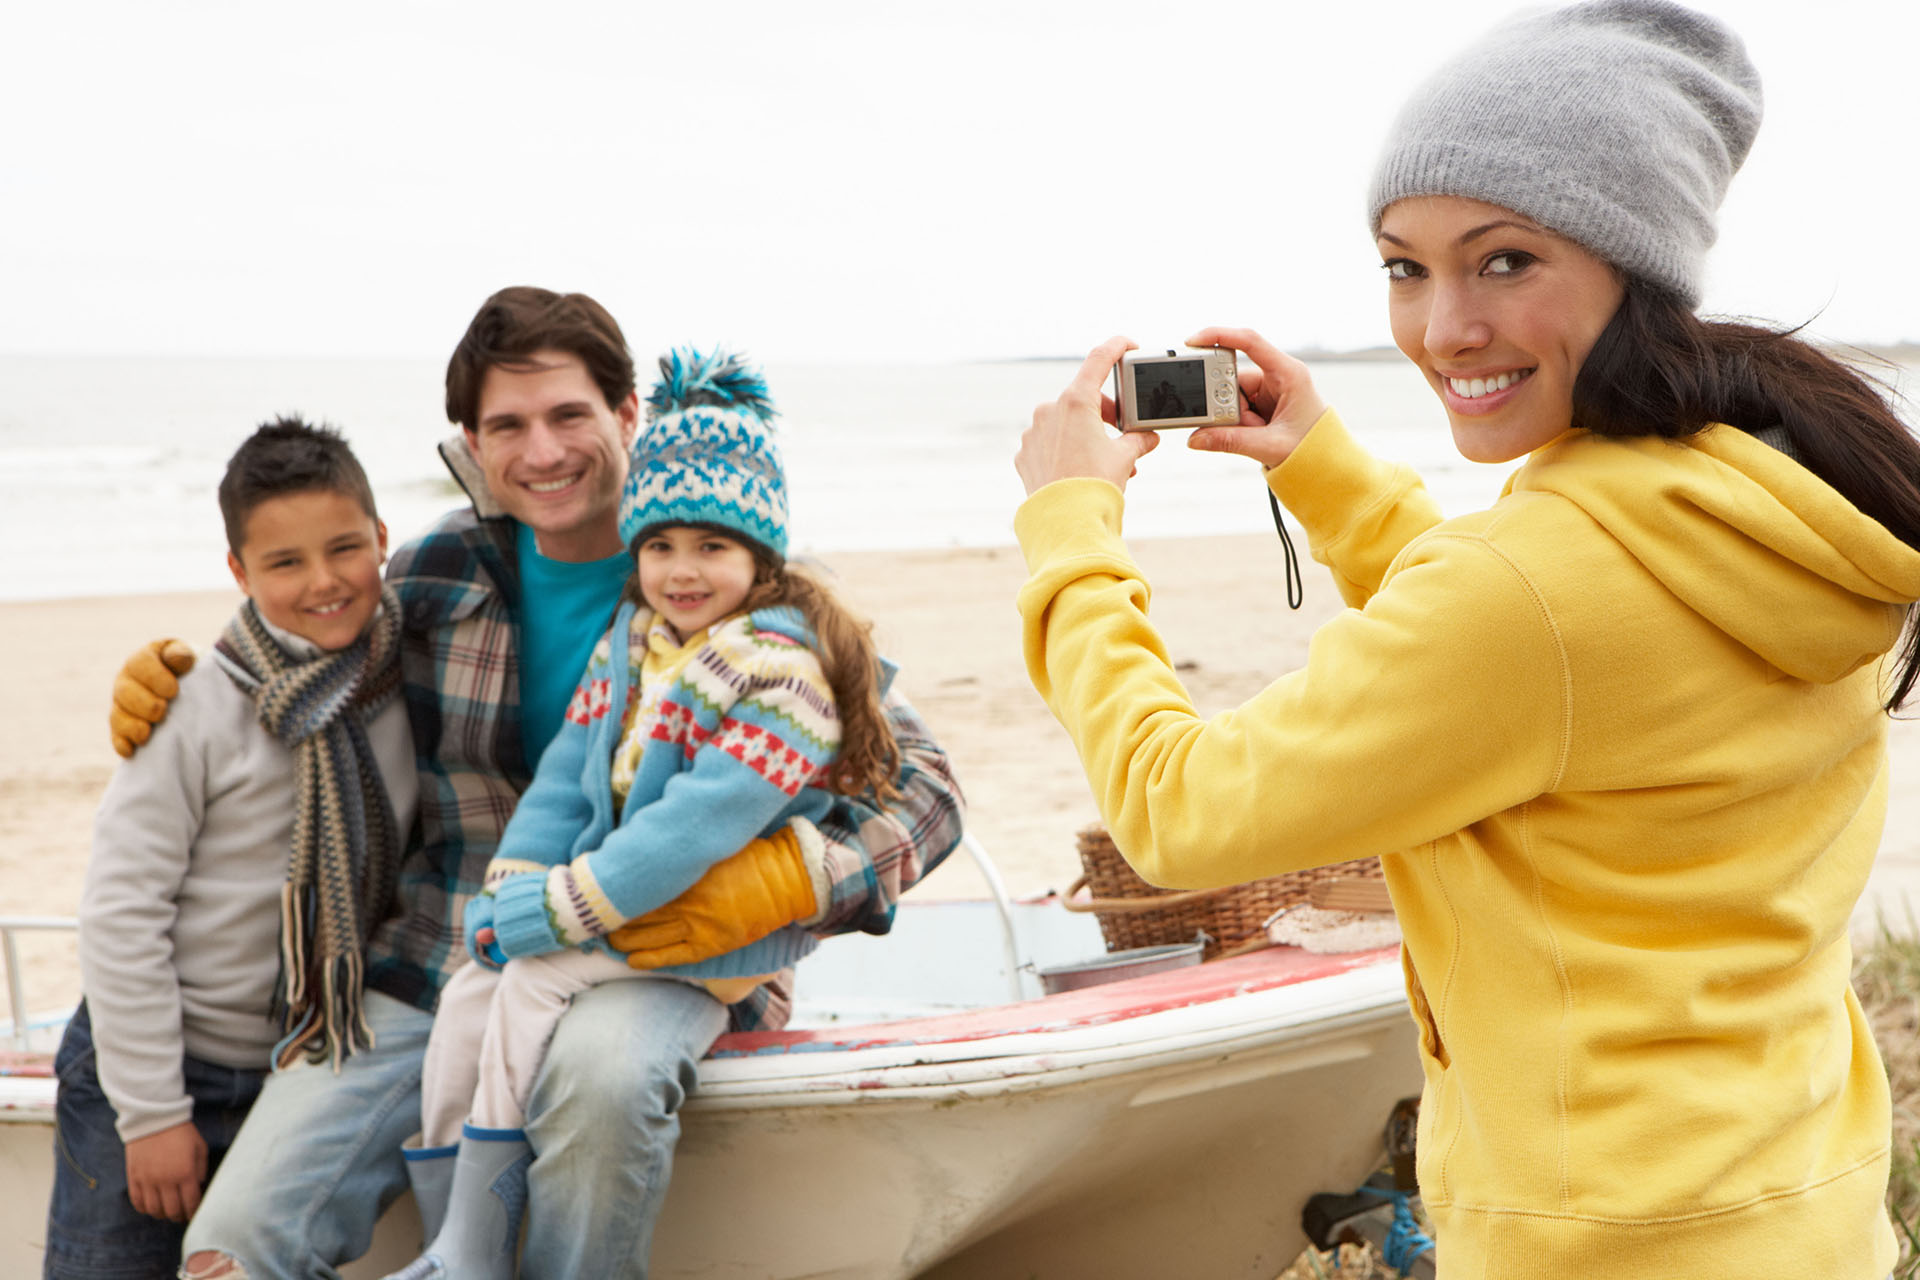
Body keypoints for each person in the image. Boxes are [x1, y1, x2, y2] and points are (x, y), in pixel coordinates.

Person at [1013, 2, 1919, 1276]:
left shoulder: (1540, 588)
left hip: (1602, 1247)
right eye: (1404, 265)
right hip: (1799, 1208)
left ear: (1633, 261)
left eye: (1504, 261)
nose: (1443, 328)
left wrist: (1071, 532)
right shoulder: (1758, 502)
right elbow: (1543, 662)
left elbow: (1178, 809)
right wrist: (1321, 468)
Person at [112, 288, 964, 1280]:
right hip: (452, 943)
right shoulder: (439, 568)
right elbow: (307, 650)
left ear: (626, 415)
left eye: (569, 414)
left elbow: (929, 789)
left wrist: (793, 879)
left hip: (657, 947)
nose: (544, 451)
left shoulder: (754, 588)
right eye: (508, 425)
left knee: (604, 1085)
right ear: (472, 441)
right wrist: (184, 687)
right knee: (234, 1244)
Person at [384, 348, 900, 1279]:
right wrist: (515, 884)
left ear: (760, 556)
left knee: (534, 988)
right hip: (615, 903)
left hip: (708, 934)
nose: (681, 570)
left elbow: (690, 830)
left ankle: (474, 1240)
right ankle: (460, 1241)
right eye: (659, 545)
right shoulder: (637, 640)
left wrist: (559, 909)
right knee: (468, 994)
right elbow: (566, 774)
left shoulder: (777, 672)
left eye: (712, 546)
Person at [47, 419, 418, 1279]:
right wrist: (151, 1114)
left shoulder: (408, 679)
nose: (323, 582)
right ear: (238, 573)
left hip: (299, 1076)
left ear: (383, 541)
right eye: (284, 563)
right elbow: (120, 910)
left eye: (345, 549)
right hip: (151, 1068)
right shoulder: (194, 703)